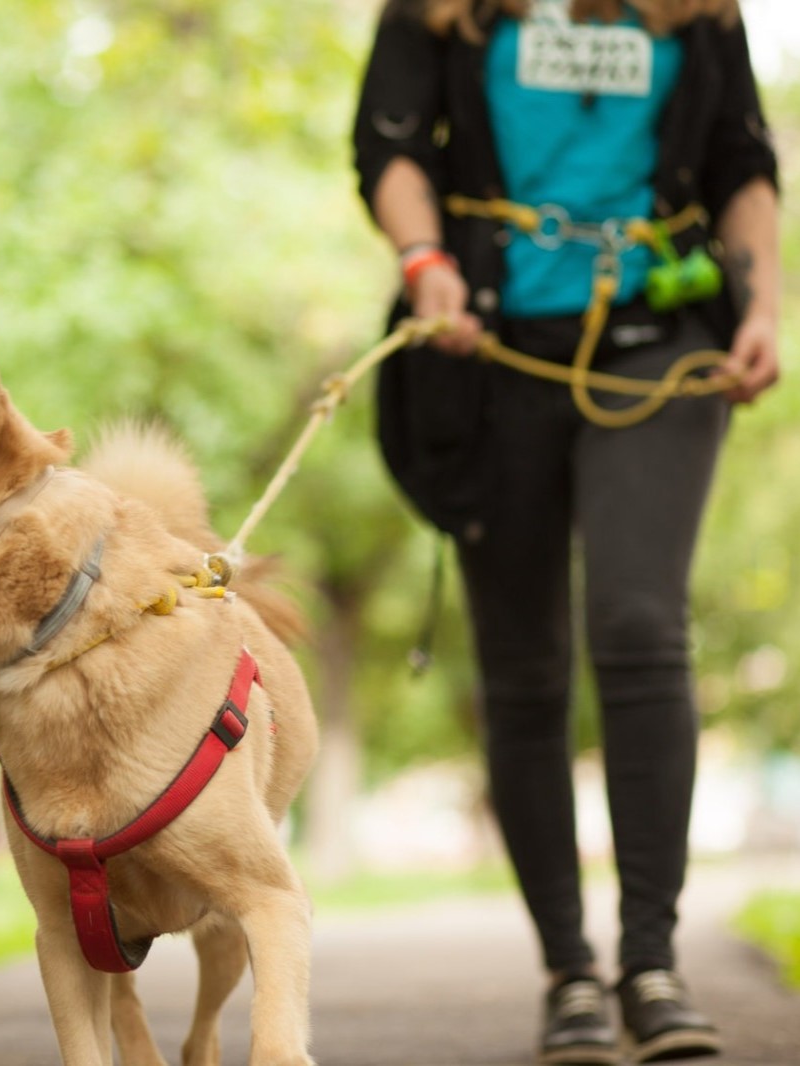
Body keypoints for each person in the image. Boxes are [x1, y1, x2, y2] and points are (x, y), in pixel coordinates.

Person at [352, 1, 780, 1063]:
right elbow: (388, 147)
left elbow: (741, 161)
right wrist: (423, 263)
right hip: (487, 347)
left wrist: (762, 303)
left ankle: (650, 961)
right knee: (523, 667)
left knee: (639, 625)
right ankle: (569, 973)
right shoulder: (440, 13)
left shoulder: (697, 12)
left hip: (658, 339)